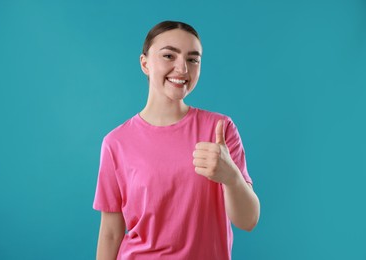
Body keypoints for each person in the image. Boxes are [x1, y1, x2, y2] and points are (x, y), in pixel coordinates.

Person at [93, 20, 260, 260]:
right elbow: (110, 232)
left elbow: (248, 220)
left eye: (193, 59)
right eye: (169, 56)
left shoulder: (219, 129)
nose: (182, 68)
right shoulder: (115, 143)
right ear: (145, 64)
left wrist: (231, 177)